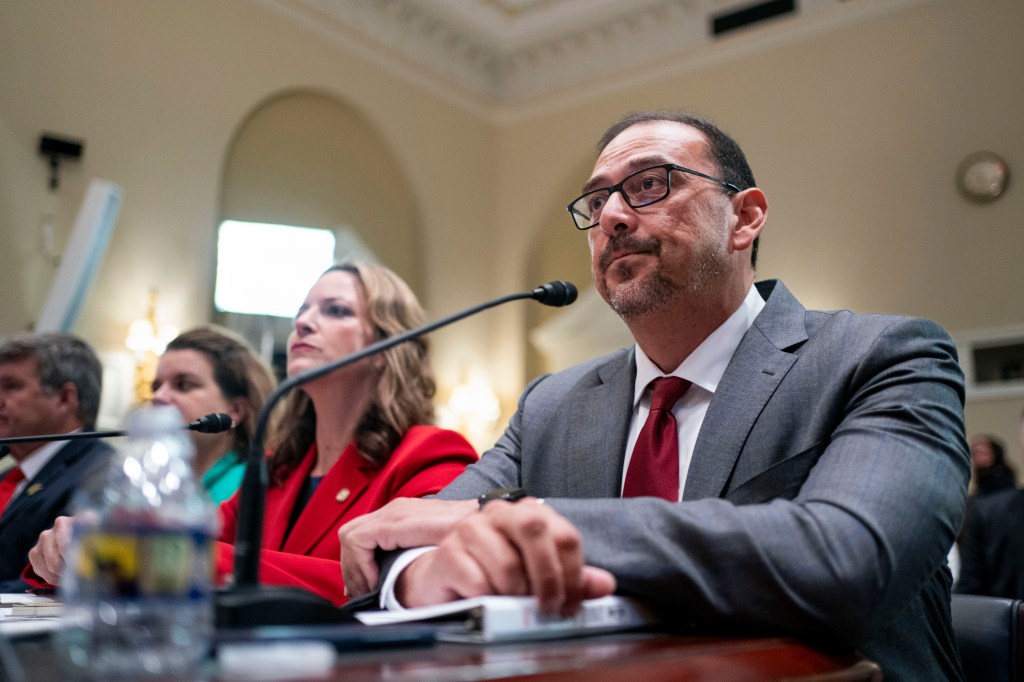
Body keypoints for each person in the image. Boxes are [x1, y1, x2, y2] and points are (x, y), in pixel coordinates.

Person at [338, 112, 970, 680]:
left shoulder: (884, 356)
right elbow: (409, 537)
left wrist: (523, 525)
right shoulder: (550, 406)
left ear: (744, 217)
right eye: (596, 200)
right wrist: (424, 578)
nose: (612, 216)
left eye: (649, 185)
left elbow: (848, 560)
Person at [28, 262, 478, 605]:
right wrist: (77, 550)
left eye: (335, 311)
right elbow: (186, 542)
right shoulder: (278, 468)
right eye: (302, 311)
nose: (302, 322)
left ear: (387, 349)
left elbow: (381, 583)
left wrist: (157, 555)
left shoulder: (429, 454)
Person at [0, 333, 112, 592]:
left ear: (64, 398)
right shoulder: (9, 476)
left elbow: (54, 581)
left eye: (11, 386)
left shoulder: (104, 472)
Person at [152, 326, 276, 504]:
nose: (158, 397)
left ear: (235, 411)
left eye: (183, 385)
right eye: (156, 387)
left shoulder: (253, 487)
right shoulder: (160, 478)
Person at [956, 410, 1024, 598]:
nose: (978, 457)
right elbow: (971, 588)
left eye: (982, 452)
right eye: (974, 453)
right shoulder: (985, 510)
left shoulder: (1003, 482)